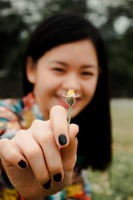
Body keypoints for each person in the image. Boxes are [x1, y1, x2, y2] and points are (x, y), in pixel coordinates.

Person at [0, 11, 112, 200]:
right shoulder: (6, 114)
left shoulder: (77, 139)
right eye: (59, 69)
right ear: (31, 69)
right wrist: (14, 158)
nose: (72, 85)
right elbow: (7, 139)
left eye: (86, 73)